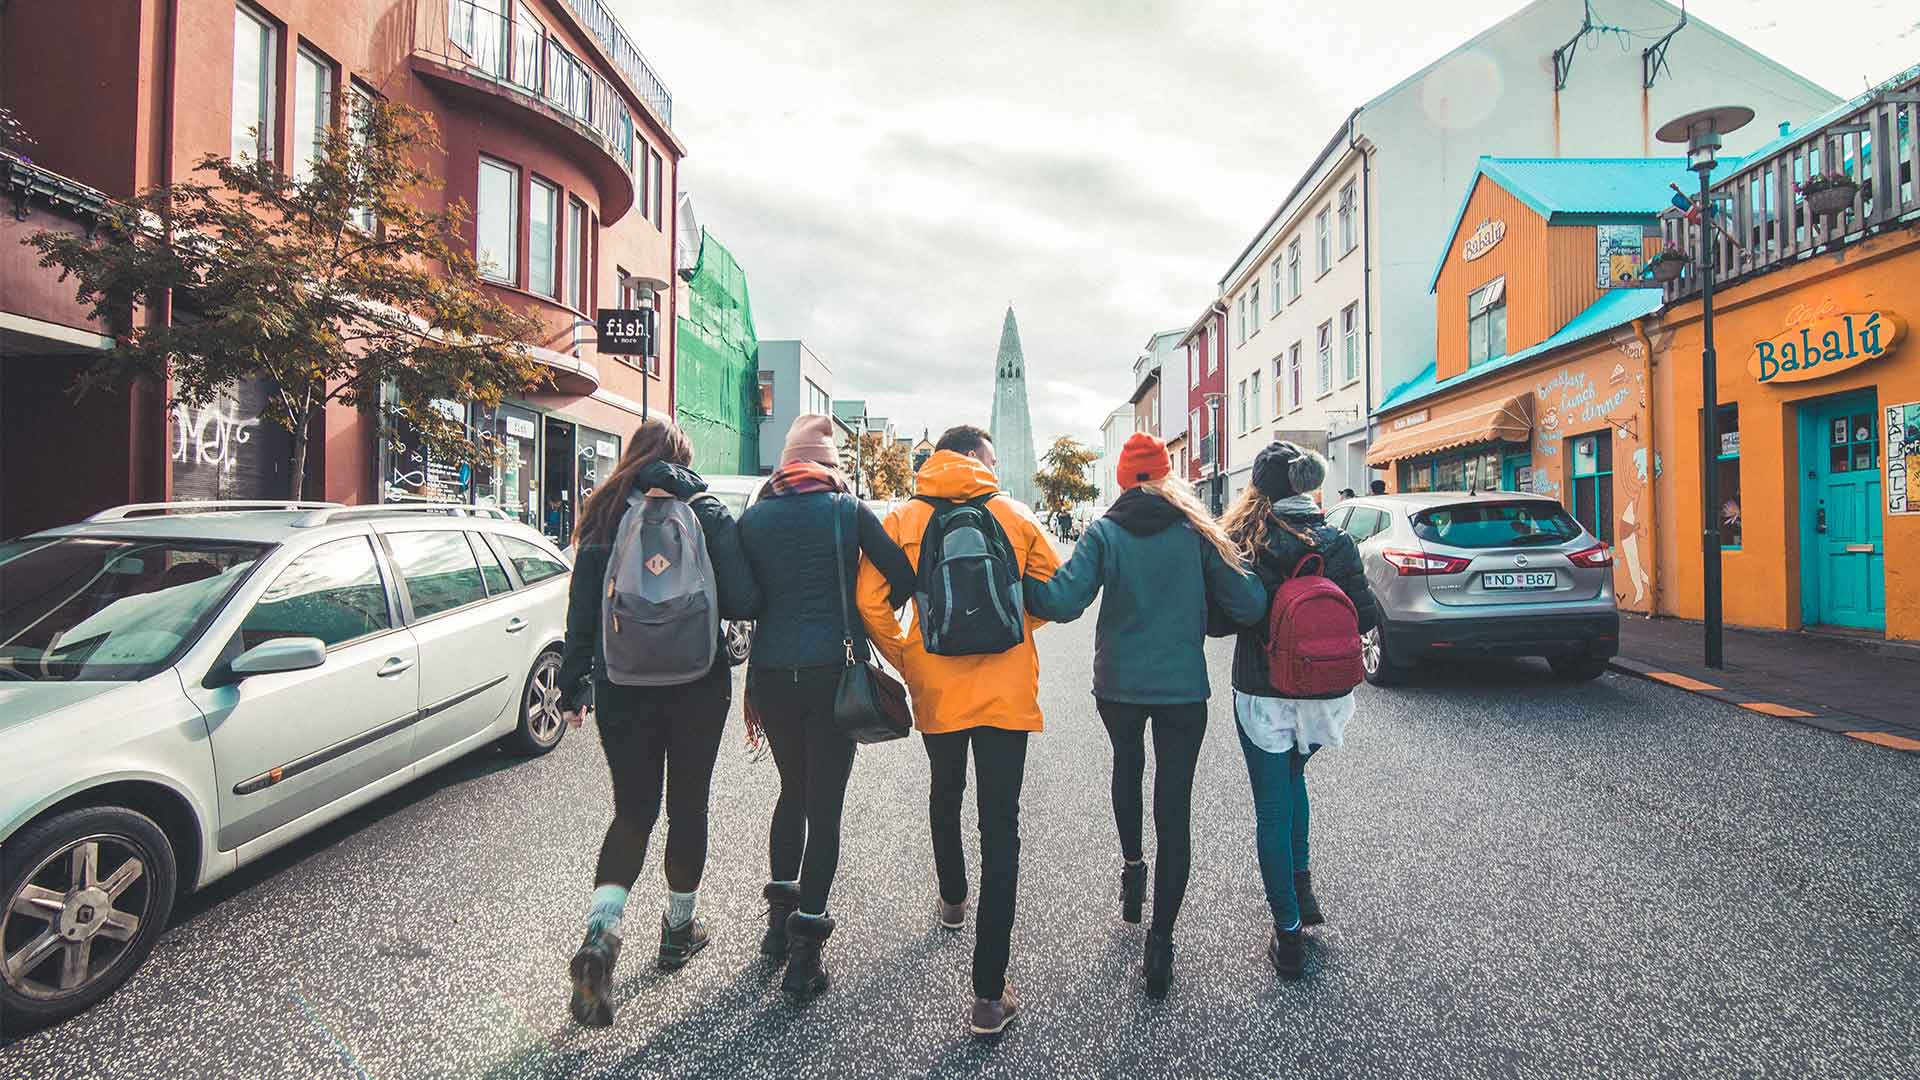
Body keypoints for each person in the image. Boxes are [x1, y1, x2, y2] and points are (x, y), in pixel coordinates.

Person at [1021, 433, 1265, 998]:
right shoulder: (1198, 533)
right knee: (1173, 805)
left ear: (1124, 478)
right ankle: (1161, 941)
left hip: (1119, 687)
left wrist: (1017, 579)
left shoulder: (1105, 532)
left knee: (1126, 768)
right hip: (1182, 689)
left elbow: (1062, 601)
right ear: (1166, 476)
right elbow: (1249, 605)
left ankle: (1133, 871)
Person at [555, 418, 762, 1028]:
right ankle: (677, 930)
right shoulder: (705, 507)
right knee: (688, 807)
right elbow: (748, 598)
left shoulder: (604, 510)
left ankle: (600, 935)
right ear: (682, 460)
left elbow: (582, 609)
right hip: (698, 683)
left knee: (633, 813)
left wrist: (574, 684)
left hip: (623, 684)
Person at [855, 424, 1060, 1036]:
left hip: (937, 689)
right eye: (991, 457)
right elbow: (1054, 595)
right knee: (1001, 825)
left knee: (946, 792)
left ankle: (951, 898)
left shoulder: (903, 520)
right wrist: (1012, 634)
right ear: (973, 458)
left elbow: (869, 600)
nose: (995, 466)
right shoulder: (1014, 514)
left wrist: (908, 657)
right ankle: (989, 994)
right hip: (1005, 693)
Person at [736, 416, 916, 1000]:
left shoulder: (756, 516)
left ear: (786, 462)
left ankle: (775, 929)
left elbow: (744, 596)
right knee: (825, 806)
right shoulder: (847, 512)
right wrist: (860, 607)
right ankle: (804, 958)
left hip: (770, 676)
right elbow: (901, 573)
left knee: (791, 792)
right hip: (828, 675)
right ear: (830, 465)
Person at [1220, 441, 1379, 982]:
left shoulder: (1249, 541)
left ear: (1258, 491)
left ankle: (1288, 933)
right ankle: (1303, 885)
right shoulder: (1336, 539)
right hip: (1323, 695)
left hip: (1264, 692)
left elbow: (1228, 620)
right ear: (1308, 486)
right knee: (1294, 782)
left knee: (1271, 805)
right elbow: (1363, 614)